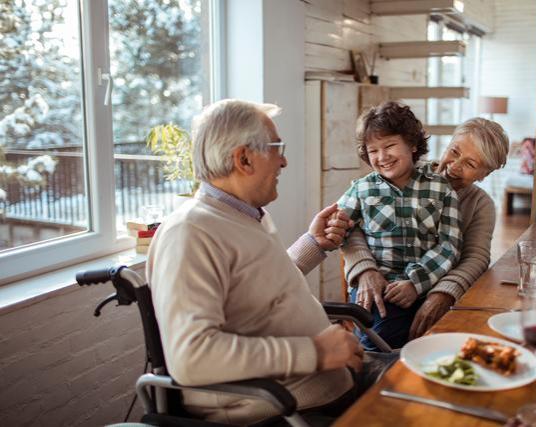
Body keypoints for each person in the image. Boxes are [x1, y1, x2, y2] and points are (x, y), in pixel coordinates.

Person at [147, 99, 392, 426]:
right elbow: (191, 357)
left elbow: (261, 289)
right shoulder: (190, 232)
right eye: (277, 148)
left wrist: (313, 244)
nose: (284, 161)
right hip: (284, 408)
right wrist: (315, 352)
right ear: (244, 158)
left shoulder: (242, 215)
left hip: (328, 381)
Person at [343, 117, 509, 345]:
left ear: (485, 175)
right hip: (386, 282)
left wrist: (441, 292)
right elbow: (349, 228)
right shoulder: (400, 171)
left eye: (470, 164)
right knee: (381, 336)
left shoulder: (482, 205)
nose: (454, 165)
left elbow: (474, 258)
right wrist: (365, 270)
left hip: (433, 283)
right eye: (454, 151)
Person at [336, 101, 463, 350]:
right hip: (381, 290)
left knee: (448, 340)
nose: (382, 157)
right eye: (373, 150)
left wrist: (416, 283)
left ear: (413, 144)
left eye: (390, 146)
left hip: (431, 285)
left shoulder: (440, 188)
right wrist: (364, 271)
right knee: (382, 342)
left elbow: (450, 244)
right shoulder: (361, 189)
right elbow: (337, 230)